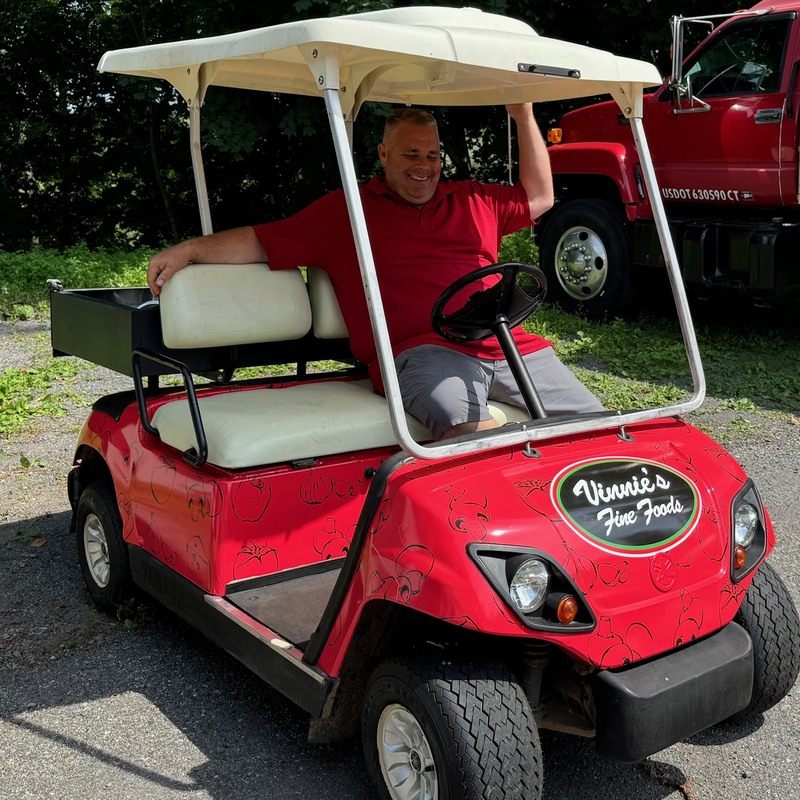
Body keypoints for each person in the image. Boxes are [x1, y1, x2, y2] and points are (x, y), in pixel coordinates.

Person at [147, 103, 602, 440]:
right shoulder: (348, 212)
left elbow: (539, 197)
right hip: (422, 351)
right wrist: (191, 249)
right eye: (410, 155)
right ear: (383, 154)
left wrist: (522, 113)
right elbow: (262, 239)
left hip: (505, 342)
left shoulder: (472, 199)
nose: (424, 167)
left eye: (432, 155)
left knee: (600, 425)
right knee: (469, 429)